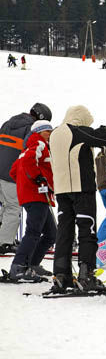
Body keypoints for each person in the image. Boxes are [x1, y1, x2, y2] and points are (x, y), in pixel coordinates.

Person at [49, 105, 106, 292]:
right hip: (82, 189)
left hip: (62, 191)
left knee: (64, 233)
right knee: (87, 232)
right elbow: (104, 138)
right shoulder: (76, 131)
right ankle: (87, 276)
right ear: (81, 119)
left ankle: (61, 276)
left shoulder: (54, 134)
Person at [7, 121, 56, 281]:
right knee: (34, 231)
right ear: (39, 132)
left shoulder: (25, 149)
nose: (50, 133)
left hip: (33, 195)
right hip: (37, 195)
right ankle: (19, 267)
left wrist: (25, 184)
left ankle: (32, 264)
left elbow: (13, 171)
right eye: (47, 131)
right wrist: (37, 178)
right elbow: (30, 161)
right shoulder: (39, 143)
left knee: (51, 233)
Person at [0, 102, 52, 253]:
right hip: (9, 173)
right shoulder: (31, 129)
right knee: (13, 207)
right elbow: (30, 150)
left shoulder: (8, 124)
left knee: (4, 206)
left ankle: (3, 236)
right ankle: (4, 242)